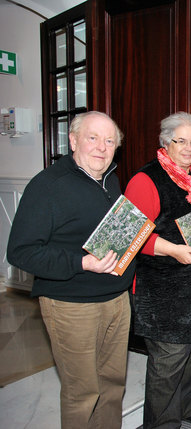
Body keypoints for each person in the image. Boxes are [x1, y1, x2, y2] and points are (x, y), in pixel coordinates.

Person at [7, 111, 134, 428]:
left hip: (116, 300)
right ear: (74, 140)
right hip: (71, 305)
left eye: (109, 141)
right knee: (83, 394)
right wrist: (82, 261)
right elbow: (20, 252)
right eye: (93, 138)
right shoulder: (47, 186)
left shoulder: (111, 179)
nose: (101, 148)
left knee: (113, 388)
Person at [125, 112, 191, 428]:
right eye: (180, 141)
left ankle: (184, 407)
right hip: (163, 294)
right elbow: (130, 235)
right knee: (167, 365)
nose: (189, 147)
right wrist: (172, 250)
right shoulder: (146, 180)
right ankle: (162, 423)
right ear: (166, 143)